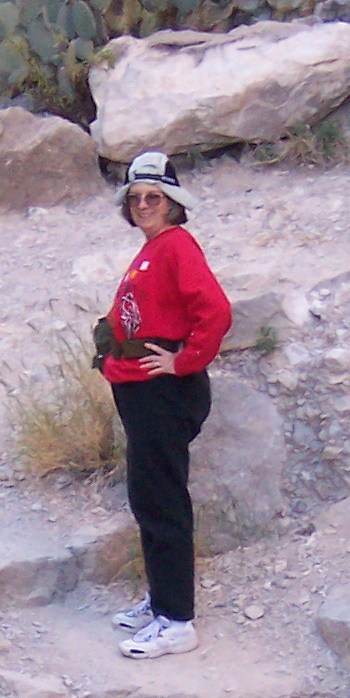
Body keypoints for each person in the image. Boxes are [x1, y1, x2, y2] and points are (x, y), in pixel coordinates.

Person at [98, 149, 233, 660]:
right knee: (147, 497)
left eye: (153, 197)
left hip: (163, 392)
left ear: (172, 202)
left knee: (163, 504)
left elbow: (215, 311)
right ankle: (161, 601)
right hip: (142, 391)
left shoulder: (177, 246)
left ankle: (177, 622)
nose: (143, 205)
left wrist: (184, 361)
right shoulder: (154, 248)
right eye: (135, 198)